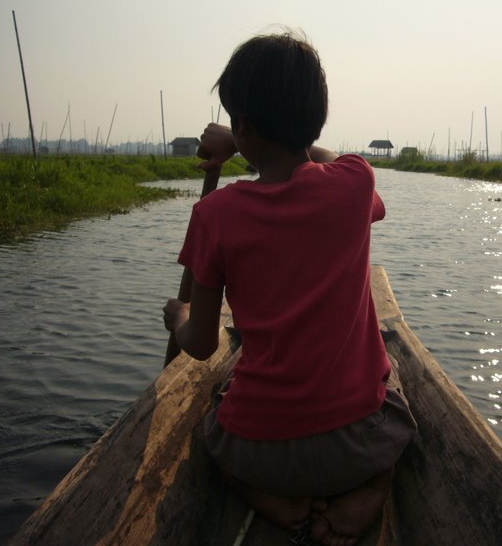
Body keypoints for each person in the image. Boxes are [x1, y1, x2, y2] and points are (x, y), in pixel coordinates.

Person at [163, 31, 416, 546]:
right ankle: (373, 489)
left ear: (244, 126)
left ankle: (271, 502)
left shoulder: (214, 215)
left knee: (213, 438)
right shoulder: (354, 182)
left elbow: (203, 344)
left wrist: (177, 316)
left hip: (260, 451)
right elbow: (321, 158)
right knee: (400, 401)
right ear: (315, 119)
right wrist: (246, 140)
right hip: (360, 446)